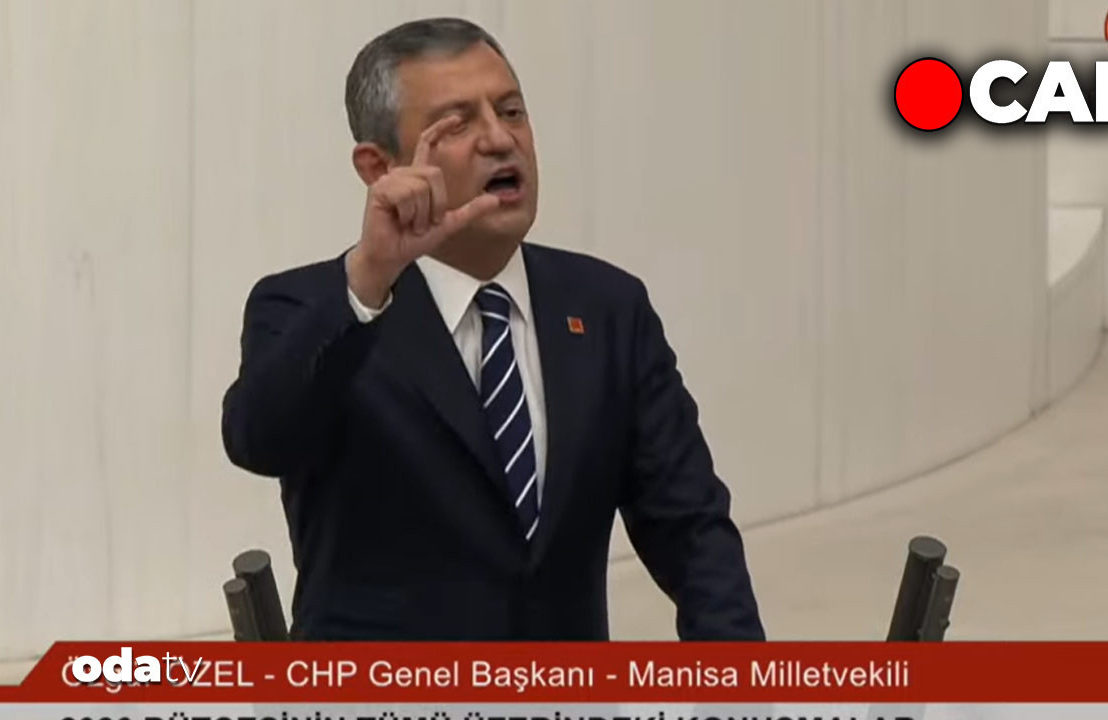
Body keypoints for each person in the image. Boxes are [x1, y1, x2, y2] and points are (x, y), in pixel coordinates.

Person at [221, 17, 764, 641]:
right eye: (457, 125)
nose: (501, 140)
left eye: (511, 112)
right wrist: (370, 278)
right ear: (379, 167)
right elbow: (258, 440)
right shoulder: (312, 306)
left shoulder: (608, 307)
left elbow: (692, 530)